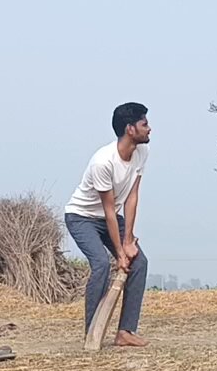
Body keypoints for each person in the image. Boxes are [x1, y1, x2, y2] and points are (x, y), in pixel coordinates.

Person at [64, 103, 152, 347]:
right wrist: (120, 254)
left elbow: (132, 197)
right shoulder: (103, 162)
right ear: (130, 129)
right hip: (82, 217)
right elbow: (109, 209)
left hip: (110, 217)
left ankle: (125, 332)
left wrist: (128, 241)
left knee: (140, 263)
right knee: (102, 264)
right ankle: (92, 332)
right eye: (144, 124)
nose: (150, 129)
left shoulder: (141, 153)